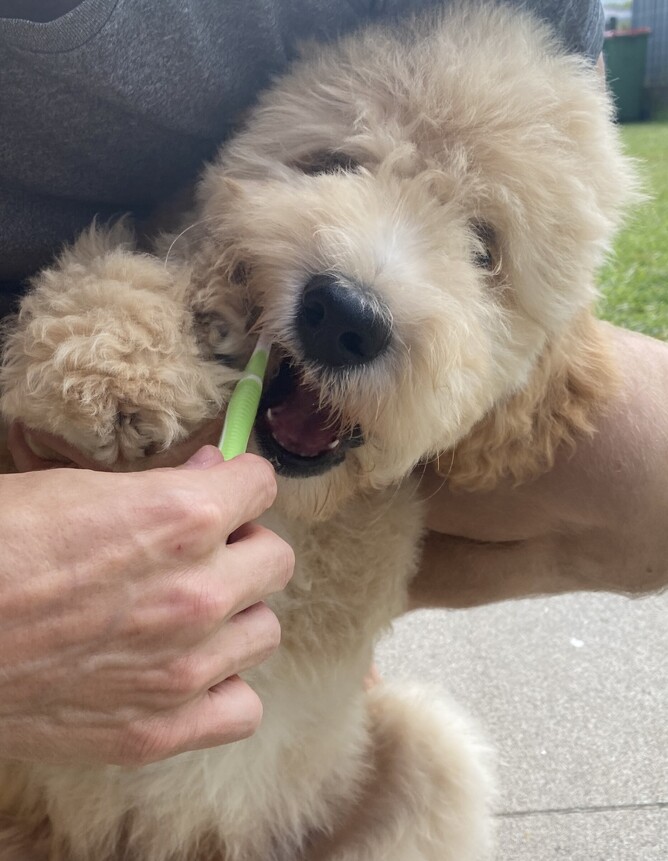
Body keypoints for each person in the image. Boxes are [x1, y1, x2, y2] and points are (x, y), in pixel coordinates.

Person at [0, 0, 664, 770]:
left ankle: (301, 644)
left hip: (299, 786)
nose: (366, 270)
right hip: (150, 298)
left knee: (435, 771)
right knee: (103, 390)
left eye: (482, 252)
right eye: (334, 163)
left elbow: (563, 156)